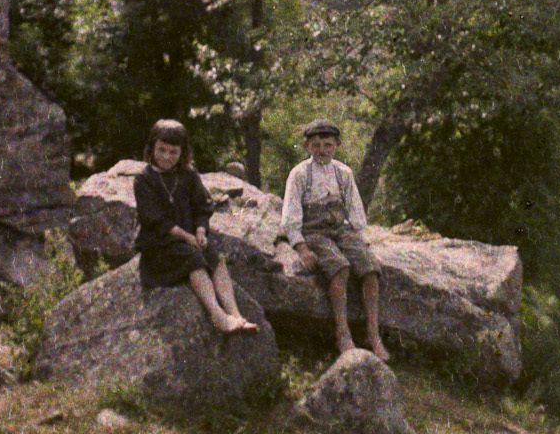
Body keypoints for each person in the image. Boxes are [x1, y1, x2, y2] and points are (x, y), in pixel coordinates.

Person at [133, 120, 259, 336]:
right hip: (160, 245)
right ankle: (218, 316)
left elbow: (202, 206)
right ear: (152, 148)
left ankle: (236, 315)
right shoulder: (144, 180)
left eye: (173, 152)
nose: (166, 157)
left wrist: (200, 230)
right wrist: (186, 236)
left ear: (182, 153)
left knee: (214, 258)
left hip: (188, 239)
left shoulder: (188, 175)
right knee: (194, 260)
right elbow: (155, 220)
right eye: (161, 150)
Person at [281, 119, 388, 362]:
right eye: (316, 145)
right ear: (307, 146)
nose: (322, 150)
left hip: (341, 228)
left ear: (336, 145)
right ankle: (343, 333)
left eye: (328, 145)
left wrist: (360, 243)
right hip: (315, 230)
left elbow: (355, 212)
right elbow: (290, 218)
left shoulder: (343, 173)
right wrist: (302, 248)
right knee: (340, 268)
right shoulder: (299, 175)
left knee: (370, 269)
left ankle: (373, 334)